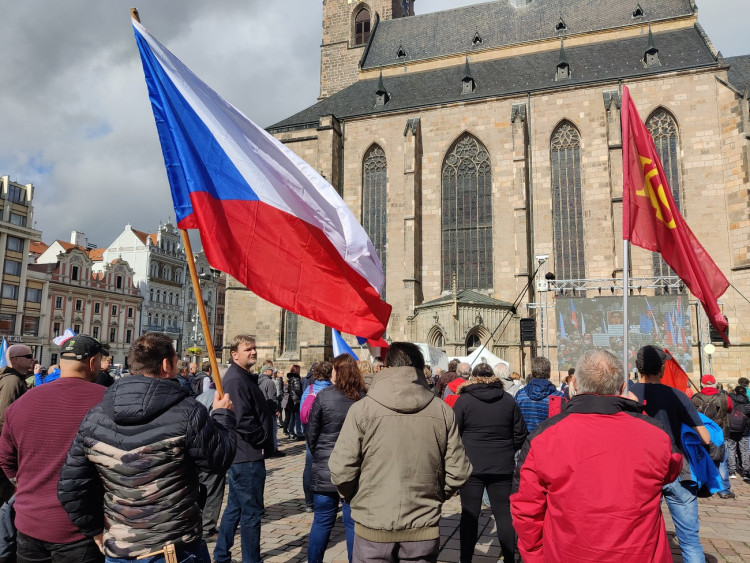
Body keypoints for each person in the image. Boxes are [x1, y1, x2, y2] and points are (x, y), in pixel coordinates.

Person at [57, 332, 236, 562]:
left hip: (120, 549)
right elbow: (219, 460)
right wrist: (222, 416)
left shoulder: (95, 416)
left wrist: (95, 530)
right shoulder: (188, 411)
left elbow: (70, 487)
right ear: (166, 364)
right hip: (173, 549)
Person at [512, 349, 683, 561]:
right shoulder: (656, 434)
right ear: (622, 387)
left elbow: (526, 510)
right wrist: (637, 411)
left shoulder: (543, 437)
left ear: (574, 383)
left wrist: (536, 557)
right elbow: (672, 470)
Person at [329, 342, 472, 563]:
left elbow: (341, 469)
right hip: (421, 528)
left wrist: (356, 497)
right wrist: (433, 496)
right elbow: (459, 471)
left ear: (386, 366)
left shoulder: (362, 409)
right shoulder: (442, 410)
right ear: (420, 368)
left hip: (373, 526)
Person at [0, 335, 106, 562]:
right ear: (92, 363)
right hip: (82, 528)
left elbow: (6, 459)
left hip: (29, 522)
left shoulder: (23, 402)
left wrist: (23, 486)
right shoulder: (106, 401)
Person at [630, 345, 710, 563]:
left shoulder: (629, 395)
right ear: (662, 368)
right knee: (690, 541)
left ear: (639, 367)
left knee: (641, 538)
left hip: (643, 470)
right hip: (677, 469)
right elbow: (706, 437)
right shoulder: (677, 395)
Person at [453, 363, 528, 562]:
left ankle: (466, 559)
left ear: (473, 377)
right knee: (503, 514)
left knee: (470, 514)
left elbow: (453, 434)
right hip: (501, 465)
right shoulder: (507, 400)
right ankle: (510, 558)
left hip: (472, 466)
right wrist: (507, 450)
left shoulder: (464, 400)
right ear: (493, 377)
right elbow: (520, 433)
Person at [214, 334, 274, 563]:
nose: (254, 352)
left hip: (244, 454)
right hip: (247, 454)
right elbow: (242, 419)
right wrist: (261, 439)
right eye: (248, 348)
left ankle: (221, 554)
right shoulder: (236, 380)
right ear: (234, 354)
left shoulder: (243, 376)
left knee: (235, 509)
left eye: (255, 348)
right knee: (252, 513)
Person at [306, 354, 366, 563]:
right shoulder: (363, 398)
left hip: (327, 466)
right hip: (353, 468)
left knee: (322, 521)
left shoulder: (324, 396)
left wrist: (320, 456)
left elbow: (311, 433)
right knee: (352, 524)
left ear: (337, 373)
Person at [692, 374, 735, 498]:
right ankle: (724, 490)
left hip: (701, 432)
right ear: (715, 384)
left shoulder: (695, 398)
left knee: (701, 458)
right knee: (722, 461)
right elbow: (730, 410)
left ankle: (702, 486)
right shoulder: (724, 398)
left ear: (702, 384)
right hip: (720, 432)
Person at [0, 343, 33, 502]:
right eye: (28, 356)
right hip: (6, 446)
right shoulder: (12, 380)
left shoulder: (17, 379)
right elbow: (5, 416)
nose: (32, 359)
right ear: (15, 360)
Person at [301, 361, 333, 512]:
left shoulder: (309, 389)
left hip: (310, 431)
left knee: (310, 465)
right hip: (327, 433)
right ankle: (328, 499)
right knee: (328, 465)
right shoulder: (331, 390)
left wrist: (306, 431)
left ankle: (309, 502)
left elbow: (302, 413)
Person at [514, 356, 565, 433]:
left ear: (531, 374)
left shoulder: (520, 395)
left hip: (525, 441)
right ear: (549, 374)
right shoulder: (559, 396)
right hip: (548, 441)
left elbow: (515, 422)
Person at [728, 383, 750, 479]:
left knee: (731, 450)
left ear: (735, 392)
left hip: (731, 429)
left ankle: (732, 471)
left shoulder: (729, 401)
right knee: (744, 450)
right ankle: (746, 472)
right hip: (744, 430)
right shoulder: (747, 403)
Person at [285, 365, 304, 440]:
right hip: (296, 401)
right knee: (297, 418)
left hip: (291, 400)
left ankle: (291, 433)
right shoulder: (296, 379)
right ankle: (299, 433)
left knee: (292, 418)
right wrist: (302, 395)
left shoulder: (290, 379)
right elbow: (297, 390)